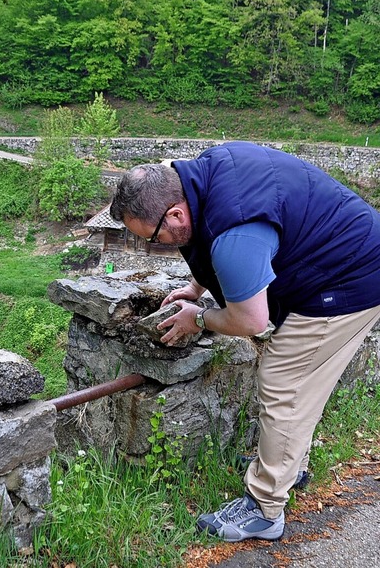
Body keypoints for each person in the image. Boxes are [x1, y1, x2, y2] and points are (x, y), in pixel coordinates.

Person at [109, 141, 380, 542]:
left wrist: (198, 318)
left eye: (153, 237)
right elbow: (204, 238)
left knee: (284, 383)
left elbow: (253, 320)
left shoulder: (235, 234)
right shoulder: (197, 176)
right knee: (293, 382)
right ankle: (287, 465)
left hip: (350, 276)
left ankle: (265, 508)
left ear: (175, 212)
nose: (155, 246)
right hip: (339, 251)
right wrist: (196, 286)